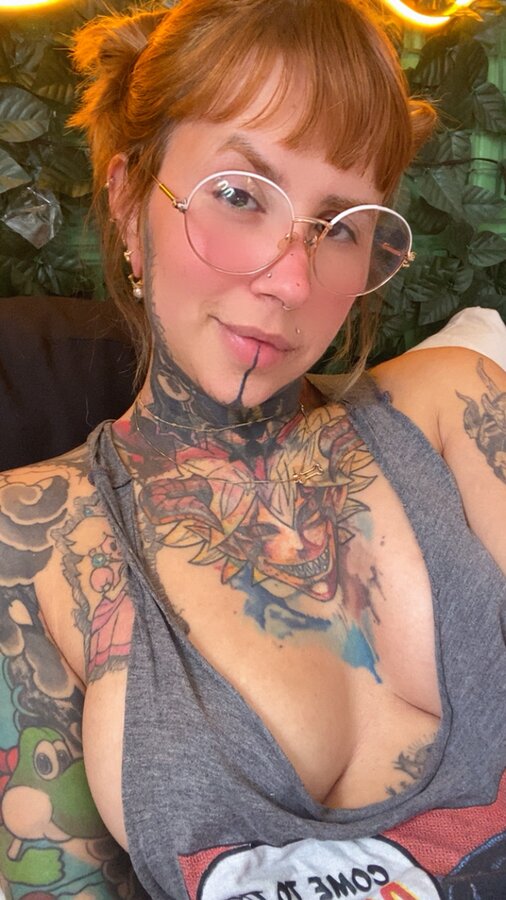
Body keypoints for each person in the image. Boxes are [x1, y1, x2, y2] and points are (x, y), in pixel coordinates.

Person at [0, 0, 504, 897]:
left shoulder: (457, 405)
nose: (292, 280)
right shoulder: (28, 539)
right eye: (240, 195)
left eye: (340, 226)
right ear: (129, 201)